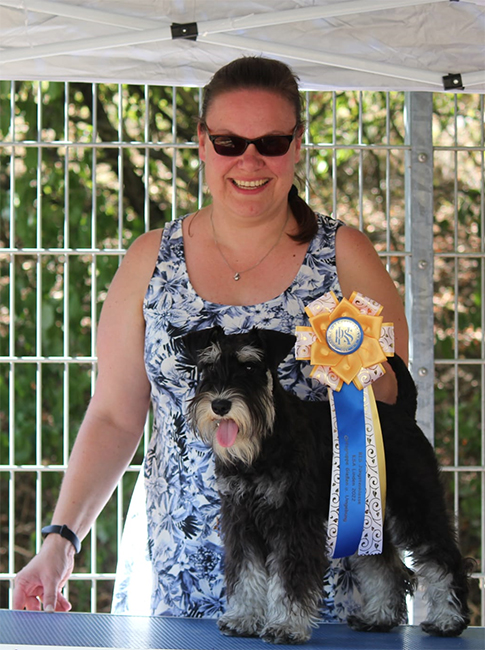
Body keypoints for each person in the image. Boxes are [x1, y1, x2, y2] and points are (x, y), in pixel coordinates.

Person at [13, 56, 408, 620]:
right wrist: (61, 541)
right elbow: (115, 416)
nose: (250, 160)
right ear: (202, 142)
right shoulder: (150, 258)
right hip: (179, 580)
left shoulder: (346, 256)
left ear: (298, 144)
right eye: (229, 142)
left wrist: (370, 374)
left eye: (271, 142)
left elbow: (391, 410)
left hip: (320, 583)